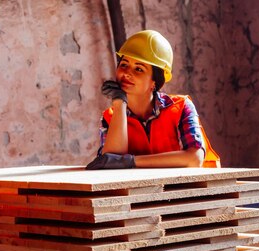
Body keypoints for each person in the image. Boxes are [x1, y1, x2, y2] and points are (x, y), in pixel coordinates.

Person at [86, 29, 220, 170]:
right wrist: (119, 103)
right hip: (145, 191)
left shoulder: (181, 108)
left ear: (154, 81)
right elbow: (111, 162)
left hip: (192, 190)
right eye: (124, 64)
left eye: (139, 69)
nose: (126, 73)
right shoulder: (110, 117)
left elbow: (194, 158)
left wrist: (132, 161)